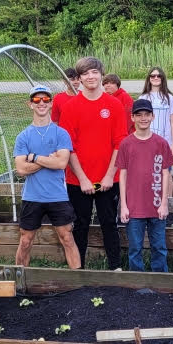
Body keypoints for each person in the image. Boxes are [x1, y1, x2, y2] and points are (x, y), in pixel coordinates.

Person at [60, 57, 128, 270]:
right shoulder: (71, 107)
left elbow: (119, 143)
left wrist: (109, 176)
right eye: (85, 74)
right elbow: (68, 147)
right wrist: (82, 179)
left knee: (109, 223)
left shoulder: (114, 105)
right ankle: (78, 269)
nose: (91, 77)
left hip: (108, 179)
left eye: (94, 72)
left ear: (101, 74)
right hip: (78, 180)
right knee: (80, 225)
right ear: (78, 79)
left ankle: (115, 267)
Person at [12, 85, 80, 269]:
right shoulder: (23, 137)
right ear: (30, 104)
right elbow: (21, 169)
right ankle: (20, 279)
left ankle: (79, 282)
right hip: (32, 196)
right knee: (26, 240)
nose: (41, 103)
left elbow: (61, 163)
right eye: (36, 100)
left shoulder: (61, 133)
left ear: (51, 104)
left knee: (67, 237)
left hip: (57, 196)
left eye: (45, 100)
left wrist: (33, 157)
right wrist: (46, 160)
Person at [116, 98, 173, 272]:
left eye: (146, 114)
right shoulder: (126, 144)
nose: (143, 118)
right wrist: (124, 206)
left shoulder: (160, 143)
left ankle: (160, 280)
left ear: (153, 116)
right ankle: (137, 282)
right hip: (134, 207)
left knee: (159, 247)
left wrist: (164, 203)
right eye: (138, 115)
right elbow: (123, 175)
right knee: (135, 249)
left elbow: (165, 173)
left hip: (156, 206)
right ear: (132, 118)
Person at [138, 66, 173, 153]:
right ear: (149, 79)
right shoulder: (143, 97)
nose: (155, 78)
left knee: (165, 166)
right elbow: (138, 122)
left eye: (158, 76)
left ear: (162, 78)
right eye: (152, 76)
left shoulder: (169, 97)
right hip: (146, 142)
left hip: (165, 143)